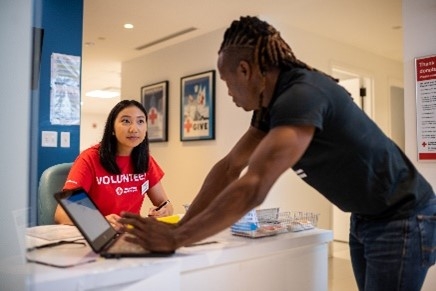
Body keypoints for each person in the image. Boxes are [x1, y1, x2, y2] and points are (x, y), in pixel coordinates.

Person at [119, 16, 436, 290]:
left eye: (228, 83)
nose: (228, 93)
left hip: (403, 217)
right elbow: (231, 167)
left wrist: (179, 238)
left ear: (245, 70)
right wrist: (181, 225)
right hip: (367, 215)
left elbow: (254, 186)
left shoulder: (302, 95)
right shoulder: (271, 106)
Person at [54, 100, 173, 231]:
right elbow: (62, 214)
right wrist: (100, 221)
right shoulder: (89, 159)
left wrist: (165, 210)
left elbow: (164, 203)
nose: (134, 129)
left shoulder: (145, 160)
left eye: (140, 121)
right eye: (126, 121)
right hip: (98, 235)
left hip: (131, 235)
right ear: (112, 128)